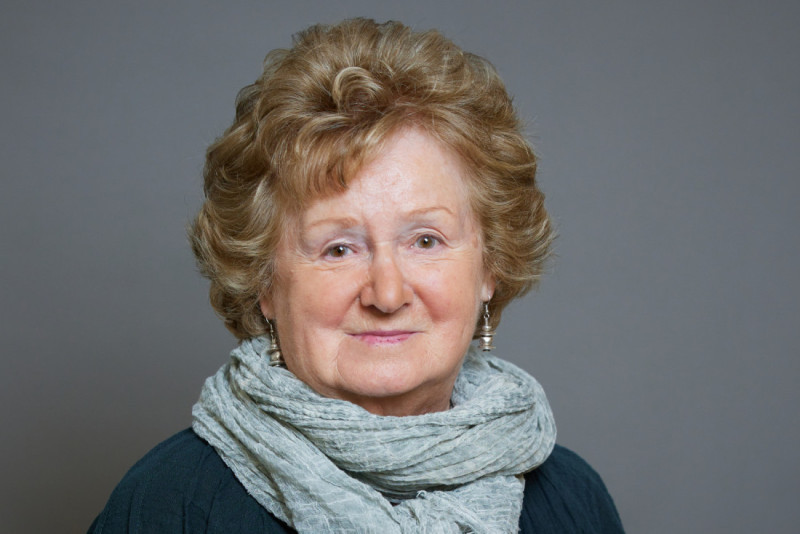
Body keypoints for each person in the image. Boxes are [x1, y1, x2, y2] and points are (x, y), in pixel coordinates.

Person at [89, 18, 624, 533]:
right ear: (265, 283)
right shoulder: (170, 505)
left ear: (491, 266)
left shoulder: (572, 499)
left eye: (425, 241)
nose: (386, 294)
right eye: (338, 248)